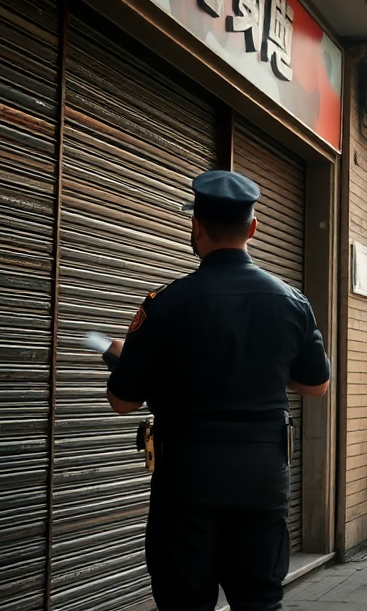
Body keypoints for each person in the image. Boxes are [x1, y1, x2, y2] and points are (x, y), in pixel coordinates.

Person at [102, 169, 331, 611]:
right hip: (264, 474)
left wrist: (125, 358)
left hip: (189, 474)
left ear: (196, 226)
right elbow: (317, 384)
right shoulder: (291, 301)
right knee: (260, 600)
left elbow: (121, 401)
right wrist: (260, 369)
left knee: (185, 600)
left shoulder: (166, 304)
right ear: (254, 228)